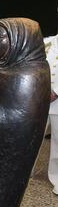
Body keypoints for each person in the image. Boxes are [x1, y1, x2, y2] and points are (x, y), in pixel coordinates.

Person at [46, 33, 58, 195]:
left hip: (56, 101)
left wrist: (56, 91)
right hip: (39, 98)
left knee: (57, 140)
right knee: (31, 136)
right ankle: (25, 171)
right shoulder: (46, 41)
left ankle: (56, 177)